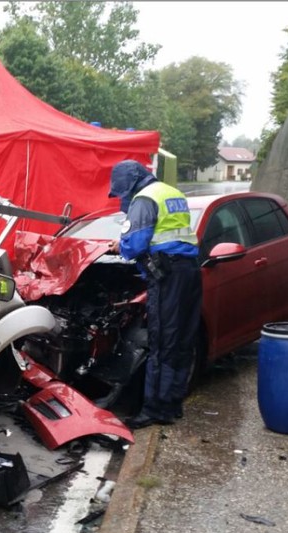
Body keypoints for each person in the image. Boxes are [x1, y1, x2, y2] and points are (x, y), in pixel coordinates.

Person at [106, 160, 202, 429]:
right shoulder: (172, 193)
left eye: (122, 192)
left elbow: (136, 245)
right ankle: (172, 404)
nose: (122, 198)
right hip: (189, 272)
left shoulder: (144, 198)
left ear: (129, 184)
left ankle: (154, 410)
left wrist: (120, 246)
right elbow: (171, 233)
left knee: (162, 342)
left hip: (167, 276)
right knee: (183, 340)